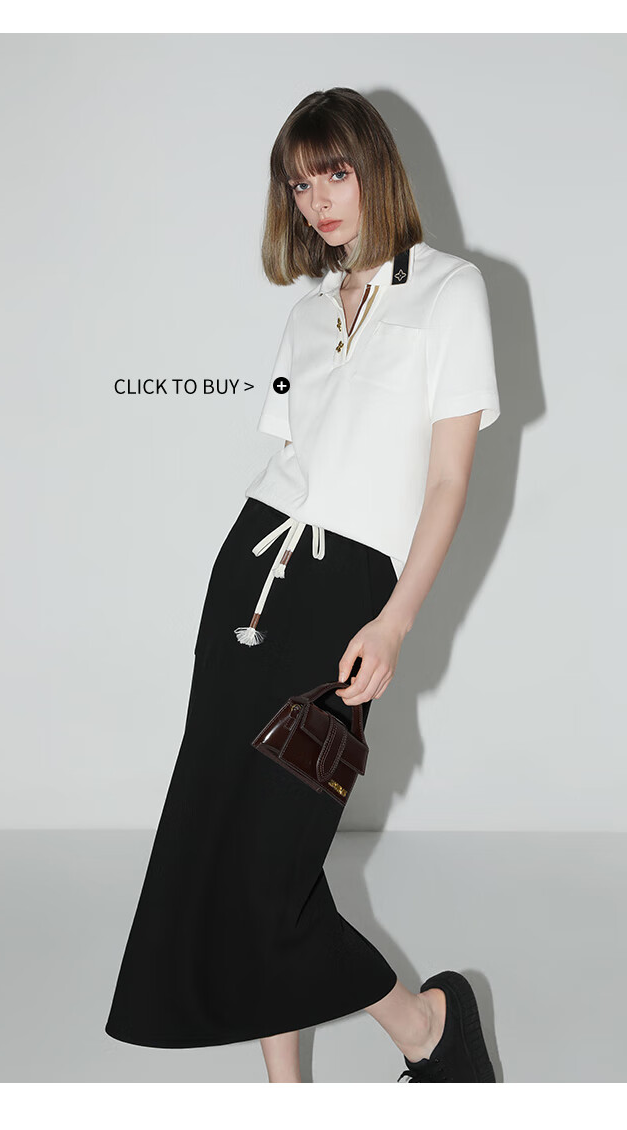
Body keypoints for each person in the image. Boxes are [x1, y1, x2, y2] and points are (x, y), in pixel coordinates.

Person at [105, 86, 499, 1083]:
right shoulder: (305, 316)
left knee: (274, 861)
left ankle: (428, 1025)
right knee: (229, 845)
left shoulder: (450, 291)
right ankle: (291, 1089)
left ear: (374, 169)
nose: (317, 199)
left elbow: (448, 482)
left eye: (334, 172)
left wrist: (396, 620)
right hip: (250, 574)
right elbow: (289, 464)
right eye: (298, 183)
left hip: (348, 591)